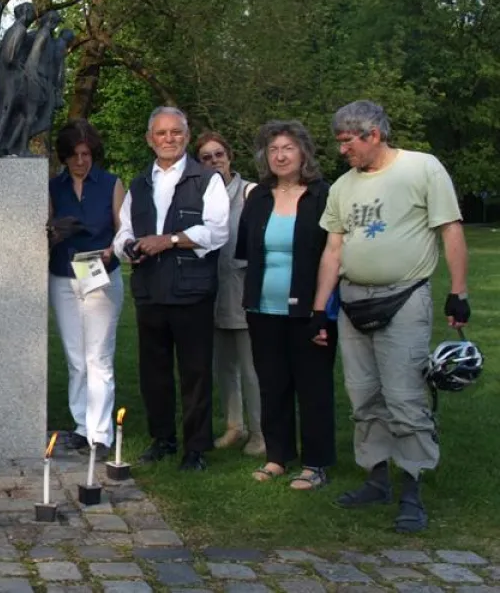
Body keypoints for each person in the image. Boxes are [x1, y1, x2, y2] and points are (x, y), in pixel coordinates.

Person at [311, 100, 470, 533]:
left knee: (404, 396)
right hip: (352, 301)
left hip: (405, 296)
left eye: (348, 141)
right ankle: (376, 478)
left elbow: (450, 229)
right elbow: (333, 250)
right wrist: (319, 309)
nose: (342, 150)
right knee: (363, 394)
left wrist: (458, 292)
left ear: (374, 135)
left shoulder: (422, 168)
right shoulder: (343, 186)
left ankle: (412, 487)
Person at [113, 106, 229, 472]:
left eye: (176, 132)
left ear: (186, 136)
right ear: (150, 139)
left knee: (195, 372)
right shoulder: (139, 183)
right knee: (154, 372)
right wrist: (128, 246)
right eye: (161, 133)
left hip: (191, 290)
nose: (169, 139)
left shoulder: (206, 179)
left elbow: (217, 231)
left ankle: (195, 449)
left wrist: (170, 240)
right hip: (150, 289)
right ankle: (162, 439)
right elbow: (124, 230)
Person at [236, 121, 337, 490]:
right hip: (263, 308)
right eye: (273, 149)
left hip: (310, 311)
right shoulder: (258, 197)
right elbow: (247, 250)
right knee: (272, 384)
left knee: (313, 387)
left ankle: (315, 463)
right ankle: (277, 455)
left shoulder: (322, 196)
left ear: (304, 153)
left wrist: (321, 311)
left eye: (287, 148)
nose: (279, 156)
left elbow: (333, 254)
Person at [47, 119, 125, 455]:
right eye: (75, 155)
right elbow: (44, 232)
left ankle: (101, 433)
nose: (81, 161)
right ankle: (82, 425)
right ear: (64, 157)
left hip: (99, 272)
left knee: (99, 356)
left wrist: (112, 251)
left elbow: (124, 231)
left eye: (86, 154)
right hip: (64, 274)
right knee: (76, 357)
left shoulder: (111, 184)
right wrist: (55, 232)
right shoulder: (53, 187)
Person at [195, 131, 264, 456]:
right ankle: (234, 426)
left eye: (218, 155)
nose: (214, 161)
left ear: (229, 156)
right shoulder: (200, 195)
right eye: (206, 158)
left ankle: (260, 433)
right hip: (211, 293)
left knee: (252, 369)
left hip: (244, 291)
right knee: (224, 368)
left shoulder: (251, 193)